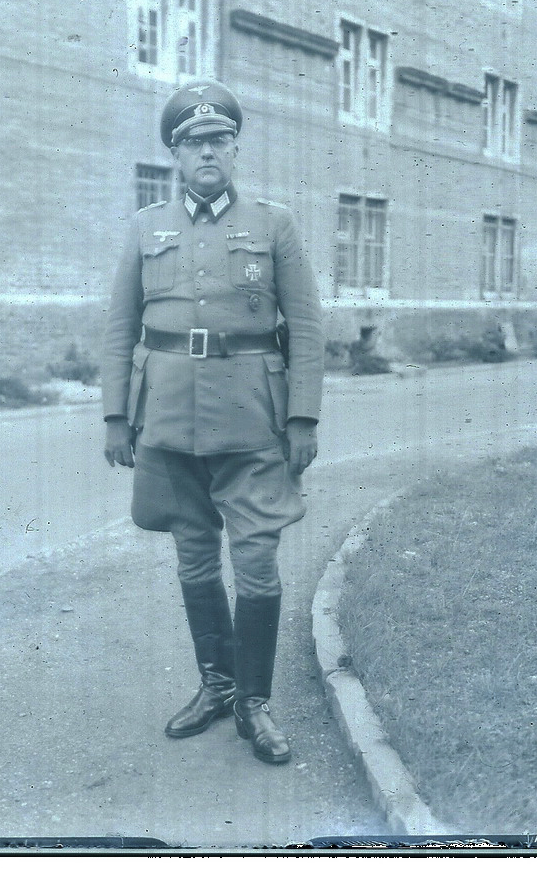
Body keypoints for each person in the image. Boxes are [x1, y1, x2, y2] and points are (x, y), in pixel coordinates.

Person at [101, 80, 324, 765]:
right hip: (165, 422)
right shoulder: (145, 228)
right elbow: (118, 327)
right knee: (194, 555)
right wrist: (116, 415)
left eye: (219, 140)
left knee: (255, 558)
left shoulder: (273, 224)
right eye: (194, 141)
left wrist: (303, 418)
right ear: (174, 153)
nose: (208, 152)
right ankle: (217, 685)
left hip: (252, 420)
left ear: (235, 148)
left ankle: (255, 703)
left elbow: (307, 327)